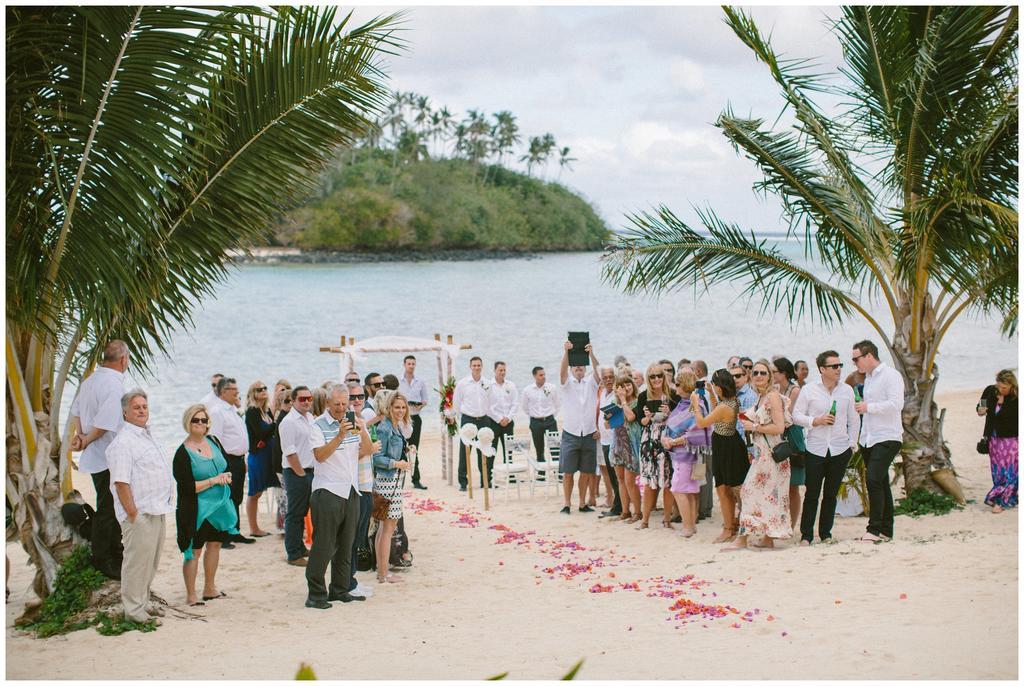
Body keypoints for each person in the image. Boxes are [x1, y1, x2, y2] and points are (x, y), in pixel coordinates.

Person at [107, 389, 175, 624]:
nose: (142, 411)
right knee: (137, 563)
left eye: (144, 406)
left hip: (157, 508)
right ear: (125, 412)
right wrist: (133, 514)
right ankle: (134, 611)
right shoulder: (123, 442)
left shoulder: (146, 435)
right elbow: (121, 482)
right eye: (136, 407)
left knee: (151, 561)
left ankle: (143, 603)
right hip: (139, 513)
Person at [306, 384, 373, 609]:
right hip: (328, 491)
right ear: (327, 403)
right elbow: (320, 456)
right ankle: (316, 594)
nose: (342, 408)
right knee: (324, 545)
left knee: (347, 545)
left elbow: (364, 452)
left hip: (351, 490)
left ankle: (340, 589)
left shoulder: (352, 422)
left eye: (345, 404)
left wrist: (362, 430)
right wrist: (339, 435)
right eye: (337, 405)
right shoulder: (318, 426)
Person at [69, 340, 129, 579]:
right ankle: (103, 557)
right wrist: (84, 440)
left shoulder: (90, 381)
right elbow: (105, 424)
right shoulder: (114, 385)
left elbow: (75, 412)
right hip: (108, 454)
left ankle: (115, 551)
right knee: (109, 508)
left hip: (97, 454)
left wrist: (80, 435)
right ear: (123, 360)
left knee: (110, 505)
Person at [173, 404, 238, 606]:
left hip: (219, 507)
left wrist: (227, 477)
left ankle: (209, 588)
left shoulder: (214, 441)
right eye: (196, 420)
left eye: (203, 420)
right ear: (188, 422)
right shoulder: (182, 453)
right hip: (197, 510)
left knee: (215, 545)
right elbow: (186, 487)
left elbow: (226, 465)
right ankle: (191, 595)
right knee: (194, 550)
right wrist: (213, 481)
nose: (200, 423)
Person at [723, 360, 792, 551]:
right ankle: (768, 538)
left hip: (772, 455)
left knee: (748, 491)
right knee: (768, 495)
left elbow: (779, 427)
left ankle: (742, 539)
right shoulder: (759, 398)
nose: (759, 376)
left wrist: (753, 426)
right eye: (755, 373)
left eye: (763, 373)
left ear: (769, 375)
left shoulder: (773, 397)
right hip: (761, 453)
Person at [791, 351, 857, 545]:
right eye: (834, 366)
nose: (839, 369)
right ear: (822, 369)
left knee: (830, 494)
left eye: (840, 365)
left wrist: (852, 444)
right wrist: (815, 421)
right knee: (812, 493)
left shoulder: (846, 391)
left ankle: (826, 533)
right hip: (815, 449)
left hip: (840, 449)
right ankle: (806, 535)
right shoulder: (810, 390)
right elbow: (796, 416)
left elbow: (854, 421)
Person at [851, 340, 904, 541]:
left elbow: (896, 404)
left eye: (856, 359)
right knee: (880, 482)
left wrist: (868, 407)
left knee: (873, 479)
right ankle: (886, 530)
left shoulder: (891, 375)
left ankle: (873, 529)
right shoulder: (869, 378)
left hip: (888, 435)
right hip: (869, 438)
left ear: (869, 356)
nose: (855, 363)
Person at [691, 369, 748, 543]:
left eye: (715, 385)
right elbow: (718, 411)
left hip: (726, 447)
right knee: (731, 489)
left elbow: (702, 422)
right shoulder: (733, 401)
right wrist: (712, 394)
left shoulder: (725, 407)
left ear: (720, 387)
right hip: (731, 444)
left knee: (724, 489)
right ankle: (732, 525)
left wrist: (695, 403)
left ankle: (728, 528)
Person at [372, 392, 414, 584]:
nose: (400, 411)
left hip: (394, 482)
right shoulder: (385, 428)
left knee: (386, 529)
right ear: (389, 407)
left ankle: (383, 572)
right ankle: (383, 573)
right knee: (386, 529)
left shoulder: (395, 427)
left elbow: (392, 450)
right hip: (388, 482)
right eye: (397, 407)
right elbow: (376, 458)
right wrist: (397, 464)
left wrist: (406, 450)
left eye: (403, 407)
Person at [661, 370, 709, 537]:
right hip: (680, 454)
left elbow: (696, 433)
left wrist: (672, 442)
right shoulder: (684, 403)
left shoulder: (696, 405)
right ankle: (691, 526)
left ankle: (687, 527)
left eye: (678, 384)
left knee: (678, 489)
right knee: (687, 489)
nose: (676, 387)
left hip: (687, 455)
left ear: (686, 385)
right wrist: (666, 438)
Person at [208, 377, 254, 545]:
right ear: (222, 392)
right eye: (233, 389)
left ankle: (234, 531)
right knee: (225, 498)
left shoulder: (233, 409)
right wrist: (221, 465)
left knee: (236, 497)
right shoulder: (217, 411)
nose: (237, 392)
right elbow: (215, 439)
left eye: (236, 388)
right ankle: (223, 535)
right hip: (228, 460)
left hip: (239, 460)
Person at [558, 340, 601, 514]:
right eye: (575, 366)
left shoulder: (591, 382)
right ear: (571, 368)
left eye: (581, 366)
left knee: (585, 472)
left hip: (589, 433)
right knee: (568, 472)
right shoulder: (567, 383)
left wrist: (591, 353)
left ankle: (582, 503)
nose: (578, 368)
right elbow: (562, 372)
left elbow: (598, 372)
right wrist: (566, 353)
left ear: (585, 367)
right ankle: (567, 503)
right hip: (571, 433)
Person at [636, 363, 679, 529]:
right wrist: (647, 417)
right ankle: (644, 520)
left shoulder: (672, 395)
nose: (656, 379)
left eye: (659, 375)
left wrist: (669, 413)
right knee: (648, 481)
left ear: (664, 377)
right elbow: (641, 421)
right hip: (649, 440)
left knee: (667, 481)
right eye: (652, 376)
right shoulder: (643, 396)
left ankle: (667, 520)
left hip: (667, 439)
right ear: (648, 378)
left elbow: (678, 421)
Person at [278, 385, 316, 566]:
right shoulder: (288, 422)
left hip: (310, 471)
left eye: (309, 398)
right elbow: (290, 452)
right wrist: (301, 475)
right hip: (296, 472)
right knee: (294, 514)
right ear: (293, 401)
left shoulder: (309, 418)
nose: (307, 401)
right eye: (302, 399)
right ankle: (293, 554)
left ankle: (300, 547)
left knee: (302, 513)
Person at [344, 380, 376, 598]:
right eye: (352, 397)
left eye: (360, 397)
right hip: (353, 486)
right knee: (352, 538)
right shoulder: (347, 423)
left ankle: (351, 579)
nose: (356, 401)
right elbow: (347, 455)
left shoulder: (360, 420)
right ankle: (348, 582)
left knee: (359, 537)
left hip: (365, 483)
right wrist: (370, 448)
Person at [772, 357, 805, 531]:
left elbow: (788, 415)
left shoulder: (795, 390)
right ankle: (780, 522)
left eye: (773, 371)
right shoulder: (775, 389)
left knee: (793, 485)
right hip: (777, 434)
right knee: (778, 485)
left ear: (783, 373)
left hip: (792, 436)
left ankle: (791, 525)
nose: (771, 375)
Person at [452, 356, 490, 491]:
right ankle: (463, 482)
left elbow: (490, 402)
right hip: (468, 419)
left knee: (484, 450)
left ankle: (486, 481)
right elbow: (456, 403)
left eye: (479, 365)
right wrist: (454, 418)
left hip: (484, 419)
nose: (477, 367)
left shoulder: (487, 383)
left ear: (482, 366)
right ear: (470, 367)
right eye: (474, 365)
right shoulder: (463, 383)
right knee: (465, 451)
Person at [983, 369, 1018, 513]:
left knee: (1011, 471)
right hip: (993, 437)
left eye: (1005, 387)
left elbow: (1008, 417)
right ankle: (1003, 496)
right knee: (997, 471)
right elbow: (981, 403)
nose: (1001, 390)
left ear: (1011, 385)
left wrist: (1002, 402)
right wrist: (980, 409)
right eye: (999, 386)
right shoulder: (990, 391)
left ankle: (1002, 501)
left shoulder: (1016, 397)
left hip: (1012, 438)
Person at [243, 381, 275, 537]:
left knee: (260, 492)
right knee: (255, 492)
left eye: (265, 388)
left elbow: (267, 434)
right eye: (259, 389)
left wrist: (269, 430)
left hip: (268, 455)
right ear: (253, 393)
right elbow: (261, 434)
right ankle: (254, 528)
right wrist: (274, 425)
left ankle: (258, 527)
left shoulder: (266, 410)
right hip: (258, 456)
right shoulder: (252, 412)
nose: (263, 391)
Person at [609, 374, 642, 522]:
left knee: (630, 481)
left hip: (631, 444)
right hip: (618, 443)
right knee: (620, 479)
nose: (625, 388)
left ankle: (638, 512)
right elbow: (609, 425)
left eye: (628, 384)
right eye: (621, 386)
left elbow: (631, 418)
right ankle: (625, 511)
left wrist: (623, 400)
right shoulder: (614, 404)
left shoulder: (638, 401)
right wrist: (609, 418)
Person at [519, 366, 560, 480]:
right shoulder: (527, 390)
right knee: (539, 448)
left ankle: (559, 473)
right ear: (535, 376)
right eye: (541, 375)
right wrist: (535, 416)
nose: (543, 377)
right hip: (535, 422)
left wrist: (550, 416)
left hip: (550, 421)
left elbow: (557, 404)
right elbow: (524, 407)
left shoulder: (552, 387)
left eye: (544, 374)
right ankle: (541, 473)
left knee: (555, 447)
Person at [398, 355, 429, 490]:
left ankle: (416, 479)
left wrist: (420, 405)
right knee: (400, 447)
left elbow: (425, 399)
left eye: (413, 364)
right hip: (401, 418)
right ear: (404, 364)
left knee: (414, 449)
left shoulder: (420, 382)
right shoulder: (399, 382)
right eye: (409, 363)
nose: (411, 366)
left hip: (415, 418)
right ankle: (400, 479)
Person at [596, 366, 622, 517]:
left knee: (617, 476)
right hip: (604, 440)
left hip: (615, 440)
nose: (608, 380)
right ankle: (617, 507)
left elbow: (619, 417)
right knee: (611, 476)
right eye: (605, 377)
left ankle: (618, 508)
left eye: (611, 376)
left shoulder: (617, 394)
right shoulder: (603, 392)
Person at [488, 361, 518, 481]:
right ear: (494, 371)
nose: (502, 372)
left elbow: (515, 403)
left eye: (504, 370)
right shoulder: (489, 386)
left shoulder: (510, 385)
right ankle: (489, 477)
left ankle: (510, 475)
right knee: (492, 450)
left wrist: (508, 418)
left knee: (509, 450)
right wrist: (499, 419)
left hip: (508, 422)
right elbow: (488, 406)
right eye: (500, 370)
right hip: (494, 422)